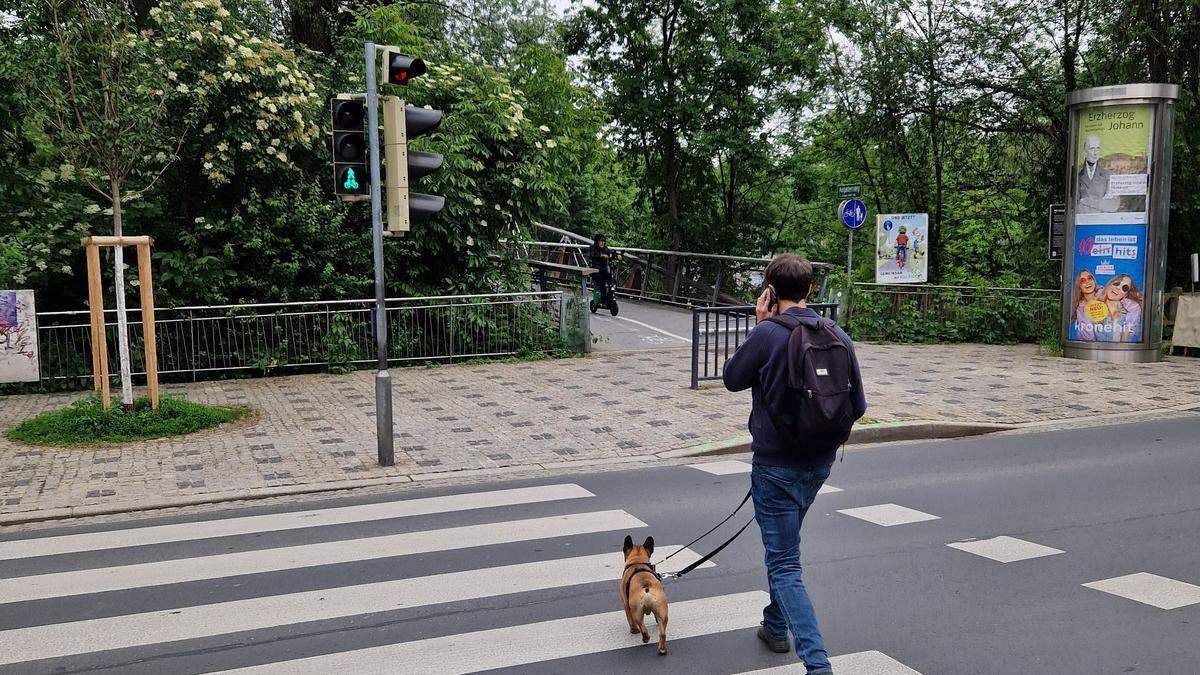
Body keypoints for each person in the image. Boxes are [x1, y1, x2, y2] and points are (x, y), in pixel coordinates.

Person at [722, 254, 867, 675]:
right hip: (819, 465)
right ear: (809, 291)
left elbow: (732, 376)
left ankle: (817, 665)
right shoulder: (837, 333)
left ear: (770, 290)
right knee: (784, 549)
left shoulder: (767, 333)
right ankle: (774, 625)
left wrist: (758, 321)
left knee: (784, 564)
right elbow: (857, 405)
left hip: (775, 467)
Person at [1076, 135, 1119, 214]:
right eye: (1092, 149)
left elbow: (1114, 205)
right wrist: (1102, 202)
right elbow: (1074, 204)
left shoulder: (1108, 175)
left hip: (1101, 222)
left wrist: (1087, 202)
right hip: (1083, 222)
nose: (1095, 153)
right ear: (1085, 151)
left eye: (1098, 149)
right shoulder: (1077, 174)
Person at [587, 234, 621, 307]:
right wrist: (601, 255)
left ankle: (609, 298)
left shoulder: (606, 249)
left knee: (612, 283)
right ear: (597, 242)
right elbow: (591, 255)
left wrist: (617, 255)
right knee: (602, 283)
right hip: (595, 270)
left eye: (603, 241)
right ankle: (603, 300)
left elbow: (611, 253)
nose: (602, 243)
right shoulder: (592, 248)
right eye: (600, 241)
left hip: (604, 270)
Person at [1072, 270, 1101, 341]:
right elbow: (1087, 337)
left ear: (1094, 281)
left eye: (1089, 278)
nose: (1087, 282)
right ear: (1079, 287)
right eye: (1083, 281)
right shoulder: (1079, 308)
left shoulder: (1105, 295)